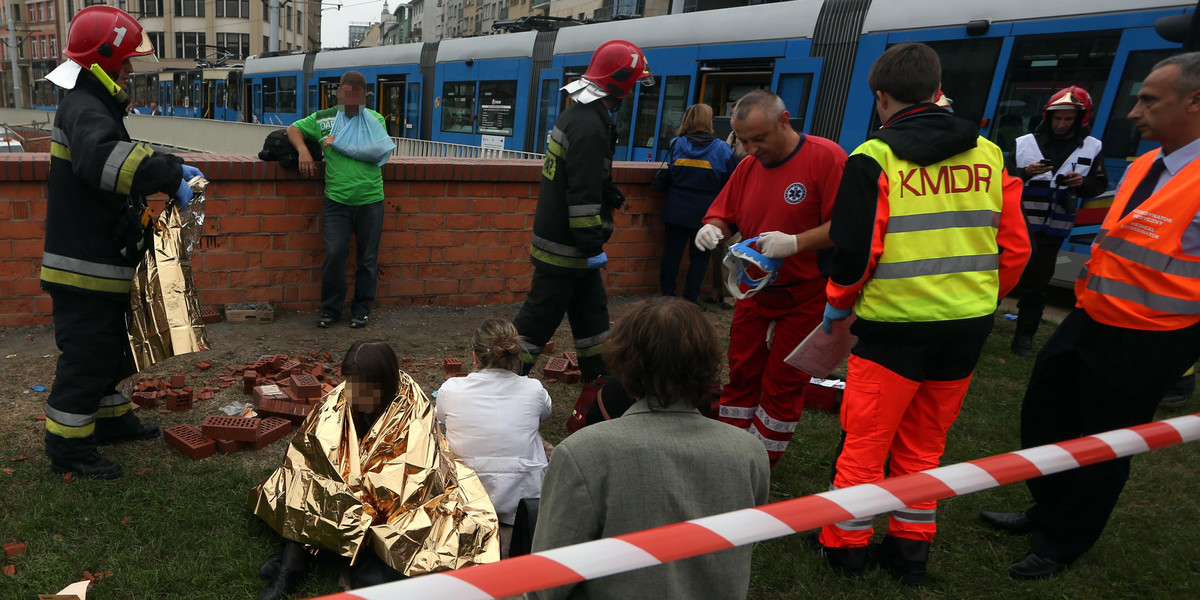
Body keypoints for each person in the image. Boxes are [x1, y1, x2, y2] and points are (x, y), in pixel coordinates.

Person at [808, 42, 1030, 584]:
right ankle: (909, 551)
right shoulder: (991, 154)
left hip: (893, 331)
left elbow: (856, 253)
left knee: (865, 443)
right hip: (967, 329)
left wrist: (837, 310)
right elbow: (1016, 248)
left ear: (881, 97)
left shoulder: (873, 157)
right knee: (925, 443)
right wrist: (977, 299)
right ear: (937, 92)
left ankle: (847, 547)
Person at [980, 52, 1200, 580]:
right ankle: (1049, 508)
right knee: (1045, 415)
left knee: (1105, 444)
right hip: (1091, 318)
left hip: (1150, 337)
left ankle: (1064, 541)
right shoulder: (1150, 163)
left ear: (1194, 102)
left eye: (1148, 99)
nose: (1132, 113)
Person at [39, 5, 201, 479]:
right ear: (105, 59)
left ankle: (108, 420)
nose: (130, 70)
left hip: (93, 262)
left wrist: (169, 163)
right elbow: (107, 162)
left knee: (109, 350)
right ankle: (68, 446)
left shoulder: (90, 103)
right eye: (126, 61)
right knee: (88, 356)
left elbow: (119, 153)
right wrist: (169, 176)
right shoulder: (85, 106)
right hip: (82, 267)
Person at [530, 298, 769, 600]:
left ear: (624, 362)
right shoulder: (749, 452)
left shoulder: (583, 453)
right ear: (708, 361)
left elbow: (546, 582)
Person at [695, 89, 847, 467]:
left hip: (806, 295)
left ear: (784, 121)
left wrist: (796, 242)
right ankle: (729, 455)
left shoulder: (826, 158)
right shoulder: (747, 168)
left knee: (784, 381)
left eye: (758, 139)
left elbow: (847, 226)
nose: (749, 149)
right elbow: (722, 212)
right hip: (752, 292)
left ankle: (761, 464)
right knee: (741, 373)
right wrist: (712, 228)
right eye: (742, 140)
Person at [513, 40, 652, 398]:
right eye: (634, 83)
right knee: (538, 319)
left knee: (592, 319)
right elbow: (581, 197)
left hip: (566, 243)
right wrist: (592, 244)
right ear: (620, 83)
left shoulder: (578, 112)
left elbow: (579, 180)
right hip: (569, 247)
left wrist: (608, 194)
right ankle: (498, 381)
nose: (635, 90)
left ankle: (603, 385)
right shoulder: (591, 124)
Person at [255, 339, 403, 599]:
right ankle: (290, 568)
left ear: (384, 385)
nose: (355, 398)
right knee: (307, 479)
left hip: (383, 498)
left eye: (364, 392)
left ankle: (302, 560)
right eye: (351, 388)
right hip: (342, 487)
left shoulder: (409, 410)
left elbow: (406, 475)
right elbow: (311, 448)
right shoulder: (342, 400)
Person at [435, 318, 552, 558]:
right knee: (538, 440)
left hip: (466, 498)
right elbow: (544, 415)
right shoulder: (534, 390)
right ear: (516, 355)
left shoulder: (451, 389)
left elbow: (442, 419)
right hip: (523, 504)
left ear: (475, 357)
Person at [1008, 86, 1109, 356]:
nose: (1062, 124)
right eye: (1058, 118)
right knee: (999, 276)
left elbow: (1099, 185)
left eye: (1068, 119)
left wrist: (1082, 182)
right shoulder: (1024, 143)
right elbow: (1003, 179)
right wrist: (1025, 172)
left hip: (1054, 228)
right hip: (1019, 222)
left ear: (1080, 119)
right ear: (1048, 116)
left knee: (1038, 284)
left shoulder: (1093, 146)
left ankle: (1023, 339)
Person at [288, 70, 387, 329]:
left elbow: (376, 151)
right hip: (336, 201)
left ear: (365, 96)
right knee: (334, 254)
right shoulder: (323, 119)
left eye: (357, 98)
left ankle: (361, 309)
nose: (352, 104)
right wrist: (303, 152)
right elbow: (293, 129)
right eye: (346, 97)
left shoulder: (375, 119)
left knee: (367, 258)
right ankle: (331, 309)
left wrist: (339, 144)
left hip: (371, 199)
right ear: (339, 93)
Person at [659, 103, 735, 304]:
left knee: (672, 254)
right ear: (708, 121)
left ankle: (667, 296)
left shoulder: (677, 143)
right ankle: (691, 299)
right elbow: (732, 181)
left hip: (675, 208)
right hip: (706, 212)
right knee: (700, 257)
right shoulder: (722, 148)